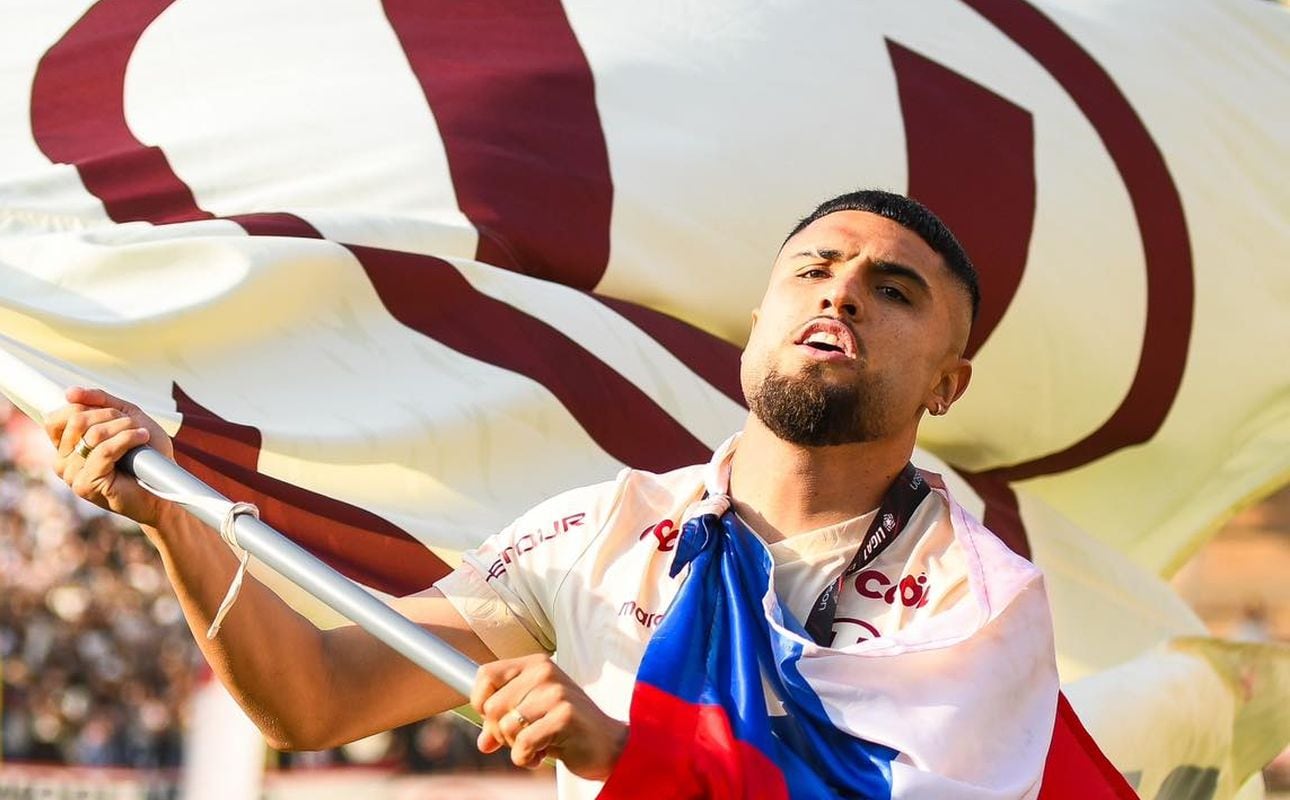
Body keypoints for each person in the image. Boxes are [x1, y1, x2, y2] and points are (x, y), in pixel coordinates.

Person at [45, 190, 1058, 797]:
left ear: (946, 381)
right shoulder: (592, 531)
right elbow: (315, 695)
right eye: (815, 268)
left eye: (894, 290)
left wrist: (626, 753)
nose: (839, 292)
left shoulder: (983, 597)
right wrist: (174, 514)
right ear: (760, 316)